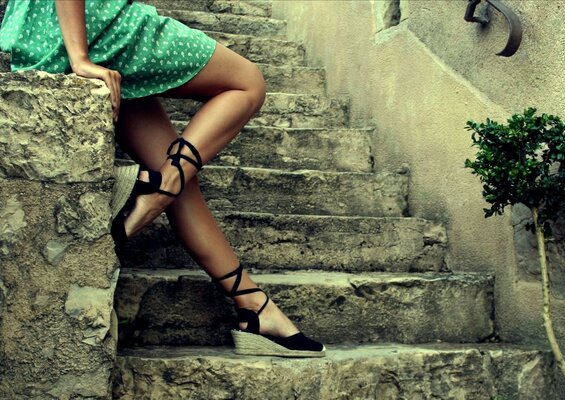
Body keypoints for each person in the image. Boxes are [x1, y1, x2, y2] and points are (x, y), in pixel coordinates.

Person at [0, 0, 325, 357]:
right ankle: (160, 188)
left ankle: (254, 308)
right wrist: (80, 57)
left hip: (50, 33)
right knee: (247, 82)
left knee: (177, 169)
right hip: (94, 22)